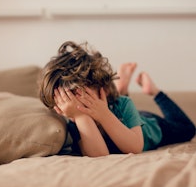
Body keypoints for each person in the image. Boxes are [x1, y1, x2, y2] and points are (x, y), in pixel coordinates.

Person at [38, 41, 195, 157]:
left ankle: (153, 91)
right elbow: (100, 156)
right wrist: (80, 116)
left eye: (78, 95)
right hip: (120, 113)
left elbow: (135, 147)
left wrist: (103, 114)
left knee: (188, 129)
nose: (75, 104)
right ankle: (121, 89)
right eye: (64, 100)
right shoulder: (73, 120)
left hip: (152, 126)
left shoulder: (124, 104)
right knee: (118, 106)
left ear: (102, 89)